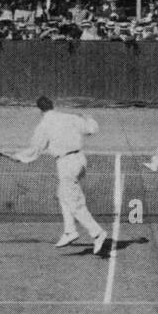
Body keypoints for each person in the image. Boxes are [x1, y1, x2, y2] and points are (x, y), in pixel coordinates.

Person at [10, 96, 107, 254]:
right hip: (81, 161)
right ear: (52, 105)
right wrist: (87, 117)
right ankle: (69, 231)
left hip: (66, 164)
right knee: (63, 195)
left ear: (40, 110)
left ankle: (97, 233)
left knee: (74, 202)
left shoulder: (43, 125)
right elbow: (93, 129)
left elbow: (36, 148)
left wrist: (19, 157)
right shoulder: (69, 117)